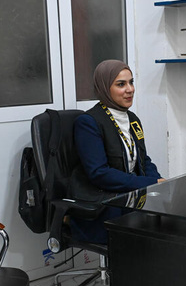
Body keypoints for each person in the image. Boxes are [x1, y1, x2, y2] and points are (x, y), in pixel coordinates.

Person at [70, 60, 164, 243]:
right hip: (103, 204)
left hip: (128, 196)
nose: (130, 89)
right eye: (121, 84)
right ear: (105, 87)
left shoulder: (132, 119)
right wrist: (149, 182)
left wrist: (158, 185)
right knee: (151, 235)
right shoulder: (88, 122)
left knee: (167, 223)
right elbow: (99, 174)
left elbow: (143, 160)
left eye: (131, 82)